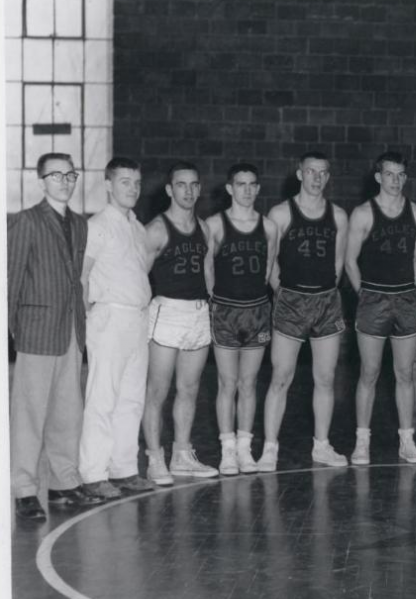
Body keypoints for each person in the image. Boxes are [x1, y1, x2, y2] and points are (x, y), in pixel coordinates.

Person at [8, 153, 103, 518]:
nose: (65, 181)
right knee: (29, 413)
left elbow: (75, 279)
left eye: (70, 174)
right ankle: (24, 488)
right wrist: (11, 330)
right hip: (36, 331)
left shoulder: (80, 224)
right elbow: (11, 279)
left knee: (68, 412)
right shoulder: (26, 222)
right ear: (41, 180)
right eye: (56, 175)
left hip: (69, 332)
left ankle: (64, 483)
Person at [262, 152, 349, 470]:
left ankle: (322, 446)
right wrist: (284, 294)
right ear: (299, 174)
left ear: (328, 177)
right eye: (311, 172)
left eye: (323, 172)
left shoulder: (338, 216)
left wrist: (323, 293)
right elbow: (269, 264)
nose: (317, 178)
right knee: (281, 376)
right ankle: (270, 448)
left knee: (325, 378)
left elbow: (338, 264)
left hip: (325, 301)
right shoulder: (281, 213)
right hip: (291, 301)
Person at [78, 156, 155, 499]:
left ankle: (124, 468)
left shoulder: (138, 228)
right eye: (125, 182)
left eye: (136, 183)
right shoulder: (97, 225)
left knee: (131, 398)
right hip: (109, 317)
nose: (132, 189)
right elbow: (81, 276)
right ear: (108, 184)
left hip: (138, 318)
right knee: (102, 397)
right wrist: (86, 318)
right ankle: (93, 473)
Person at [345, 152, 416, 465]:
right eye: (390, 174)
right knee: (369, 373)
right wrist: (363, 293)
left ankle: (407, 440)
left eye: (401, 174)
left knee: (405, 374)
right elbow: (350, 260)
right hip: (373, 300)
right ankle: (361, 442)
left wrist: (410, 288)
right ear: (378, 177)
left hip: (405, 299)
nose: (396, 180)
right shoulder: (363, 213)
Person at [142, 161, 218, 483]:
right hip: (166, 313)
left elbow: (208, 274)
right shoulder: (156, 229)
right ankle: (155, 458)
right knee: (157, 390)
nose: (188, 191)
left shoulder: (204, 228)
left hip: (198, 313)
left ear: (199, 189)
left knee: (189, 388)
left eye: (193, 185)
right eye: (181, 185)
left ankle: (182, 455)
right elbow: (138, 277)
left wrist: (213, 310)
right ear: (170, 190)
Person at [206, 163, 277, 474]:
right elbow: (207, 268)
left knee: (249, 383)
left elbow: (268, 269)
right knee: (227, 382)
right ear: (229, 188)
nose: (247, 190)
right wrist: (212, 304)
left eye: (252, 184)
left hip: (257, 311)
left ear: (258, 188)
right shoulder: (215, 224)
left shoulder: (270, 227)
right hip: (225, 309)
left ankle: (246, 448)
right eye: (241, 184)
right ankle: (227, 450)